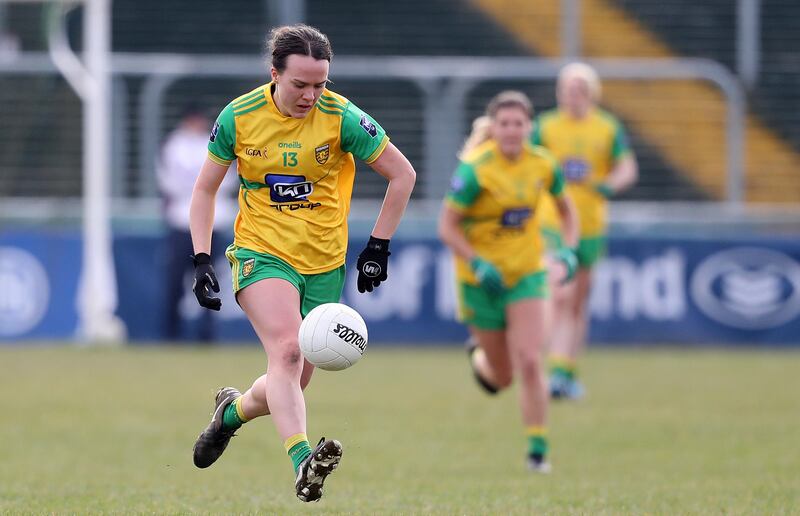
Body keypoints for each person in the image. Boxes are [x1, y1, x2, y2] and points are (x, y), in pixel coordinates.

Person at [187, 24, 416, 502]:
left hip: (324, 263)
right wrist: (202, 259)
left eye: (321, 84)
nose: (311, 95)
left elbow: (402, 174)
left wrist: (378, 246)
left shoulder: (341, 117)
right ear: (274, 73)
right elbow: (205, 189)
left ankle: (230, 413)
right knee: (288, 351)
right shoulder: (239, 117)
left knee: (288, 380)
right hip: (260, 253)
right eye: (300, 84)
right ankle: (303, 464)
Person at [438, 91, 578, 473]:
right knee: (502, 378)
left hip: (526, 274)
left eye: (519, 123)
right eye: (505, 124)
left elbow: (568, 212)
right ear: (494, 128)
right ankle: (480, 357)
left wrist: (568, 250)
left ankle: (537, 451)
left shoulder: (543, 165)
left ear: (530, 127)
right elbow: (447, 227)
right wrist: (477, 262)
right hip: (480, 281)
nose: (512, 130)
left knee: (531, 360)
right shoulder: (474, 170)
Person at [531, 63, 638, 399]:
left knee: (577, 301)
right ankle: (548, 368)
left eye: (580, 90)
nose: (573, 96)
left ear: (591, 93)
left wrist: (609, 184)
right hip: (552, 222)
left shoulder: (607, 128)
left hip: (590, 224)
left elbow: (627, 167)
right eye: (567, 89)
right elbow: (527, 162)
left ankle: (566, 371)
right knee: (559, 293)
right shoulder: (545, 127)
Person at [157, 105, 238, 341]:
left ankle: (207, 334)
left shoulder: (213, 141)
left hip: (214, 220)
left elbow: (228, 180)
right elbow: (169, 182)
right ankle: (171, 335)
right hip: (181, 221)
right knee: (175, 280)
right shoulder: (173, 145)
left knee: (211, 279)